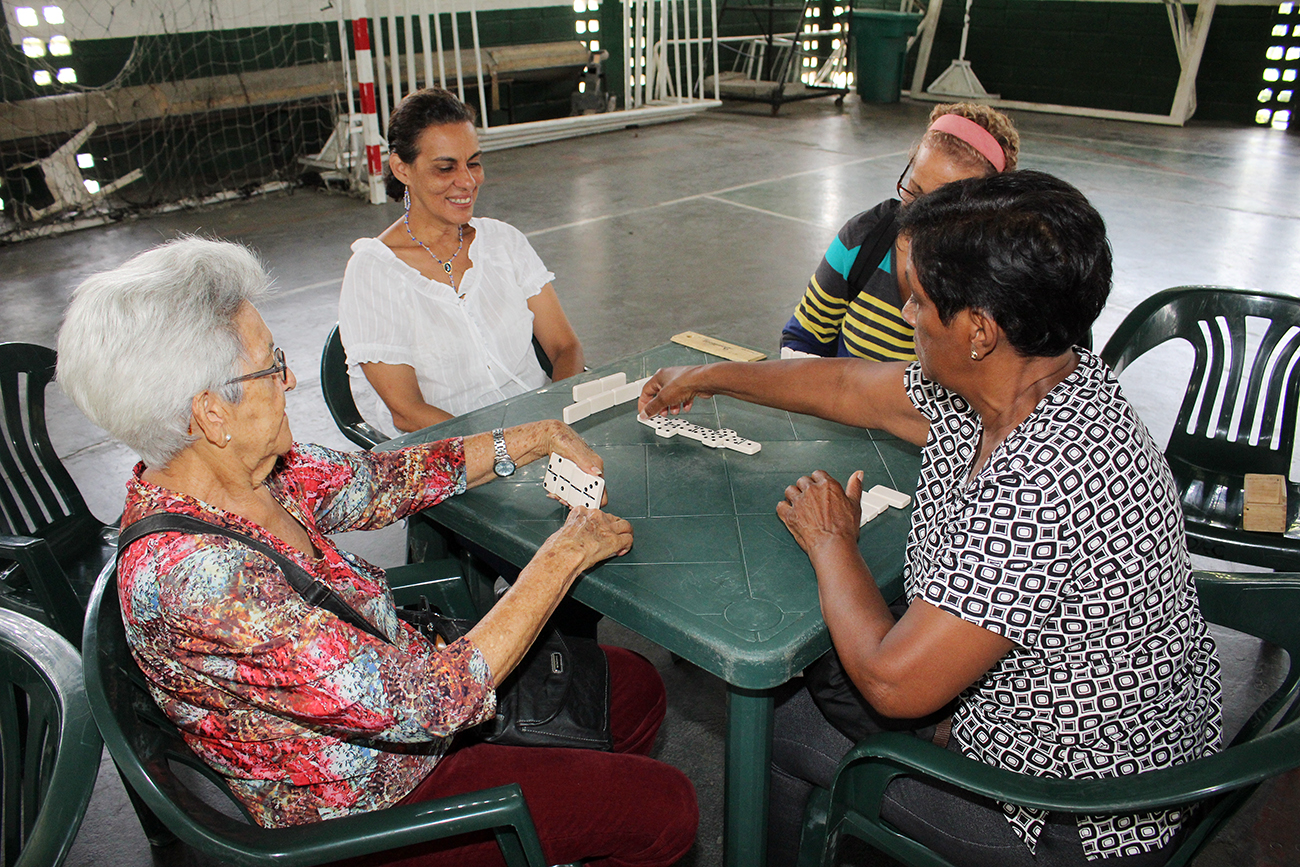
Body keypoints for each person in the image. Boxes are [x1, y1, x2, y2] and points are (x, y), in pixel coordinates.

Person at [641, 171, 1221, 867]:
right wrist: (705, 377)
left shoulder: (1044, 473)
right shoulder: (1036, 378)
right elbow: (846, 383)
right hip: (1082, 733)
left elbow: (892, 682)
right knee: (835, 663)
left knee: (782, 726)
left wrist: (832, 543)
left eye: (918, 299)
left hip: (1070, 815)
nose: (906, 312)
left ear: (978, 328)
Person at [57, 238, 697, 867]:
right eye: (270, 365)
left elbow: (383, 481)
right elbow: (432, 704)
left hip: (404, 703)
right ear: (209, 413)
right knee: (668, 809)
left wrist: (531, 438)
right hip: (370, 805)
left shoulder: (249, 475)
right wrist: (563, 556)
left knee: (635, 690)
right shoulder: (206, 584)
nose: (293, 377)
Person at [339, 87, 585, 435]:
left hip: (544, 430)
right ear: (401, 169)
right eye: (445, 168)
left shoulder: (503, 242)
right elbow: (407, 412)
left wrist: (556, 415)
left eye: (473, 163)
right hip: (451, 455)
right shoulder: (374, 273)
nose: (467, 181)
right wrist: (513, 444)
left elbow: (565, 347)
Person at [780, 103, 1019, 362]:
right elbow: (804, 338)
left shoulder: (1000, 276)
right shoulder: (863, 240)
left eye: (939, 208)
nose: (916, 215)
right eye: (913, 191)